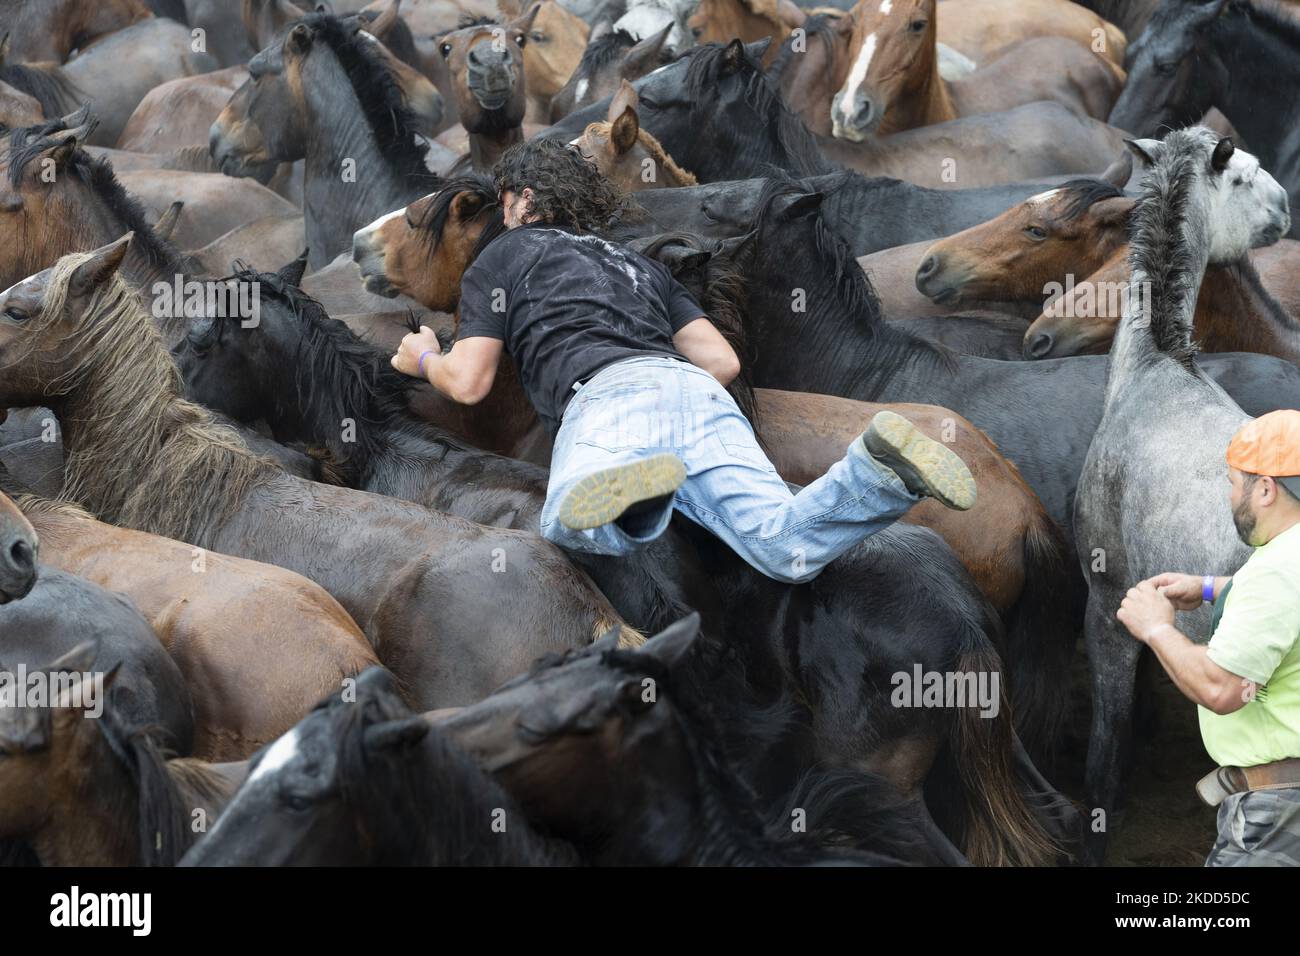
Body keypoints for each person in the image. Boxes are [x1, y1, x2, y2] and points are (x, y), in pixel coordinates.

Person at [391, 139, 976, 584]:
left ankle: (634, 491)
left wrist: (423, 356)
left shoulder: (504, 254)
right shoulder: (639, 265)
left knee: (565, 517)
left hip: (605, 399)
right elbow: (720, 361)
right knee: (781, 547)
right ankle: (877, 473)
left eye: (506, 200)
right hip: (695, 394)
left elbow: (468, 382)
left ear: (522, 200)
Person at [1117, 410, 1300, 866]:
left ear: (1265, 488)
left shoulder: (1276, 573)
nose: (1229, 493)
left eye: (1233, 481)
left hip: (1276, 817)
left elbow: (1221, 688)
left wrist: (1156, 627)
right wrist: (1208, 587)